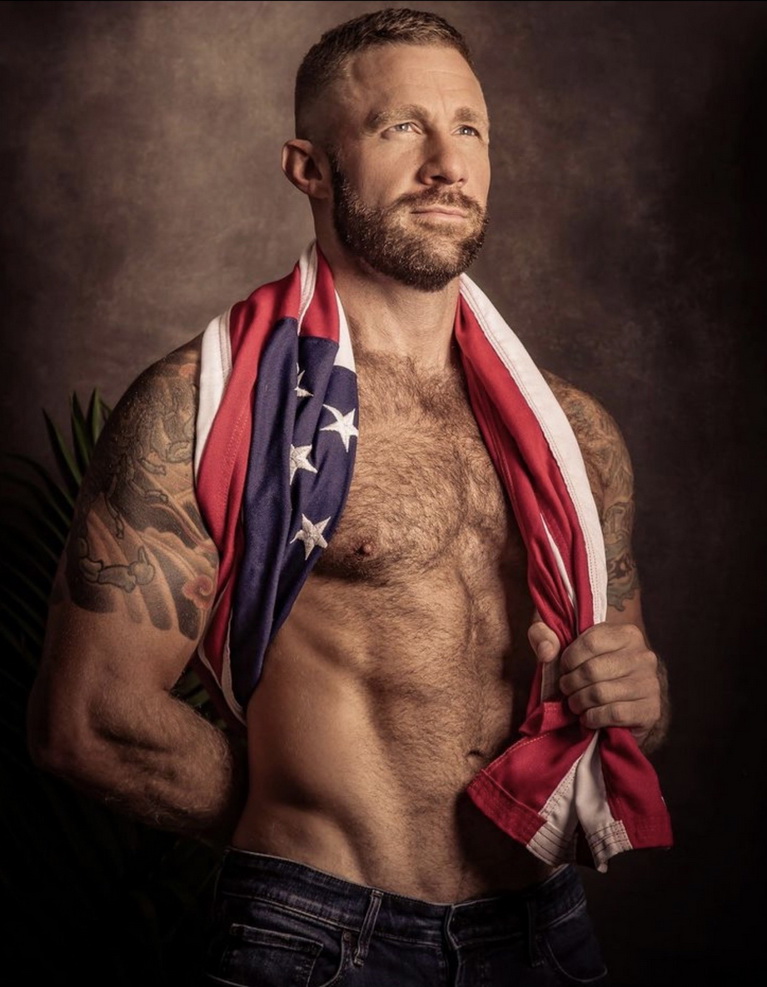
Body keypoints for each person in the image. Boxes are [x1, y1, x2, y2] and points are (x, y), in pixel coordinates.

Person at [27, 8, 670, 986]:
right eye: (401, 128)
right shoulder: (203, 408)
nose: (446, 165)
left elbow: (624, 701)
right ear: (309, 168)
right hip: (320, 939)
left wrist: (638, 695)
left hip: (545, 930)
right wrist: (295, 838)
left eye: (468, 128)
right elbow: (90, 720)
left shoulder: (573, 433)